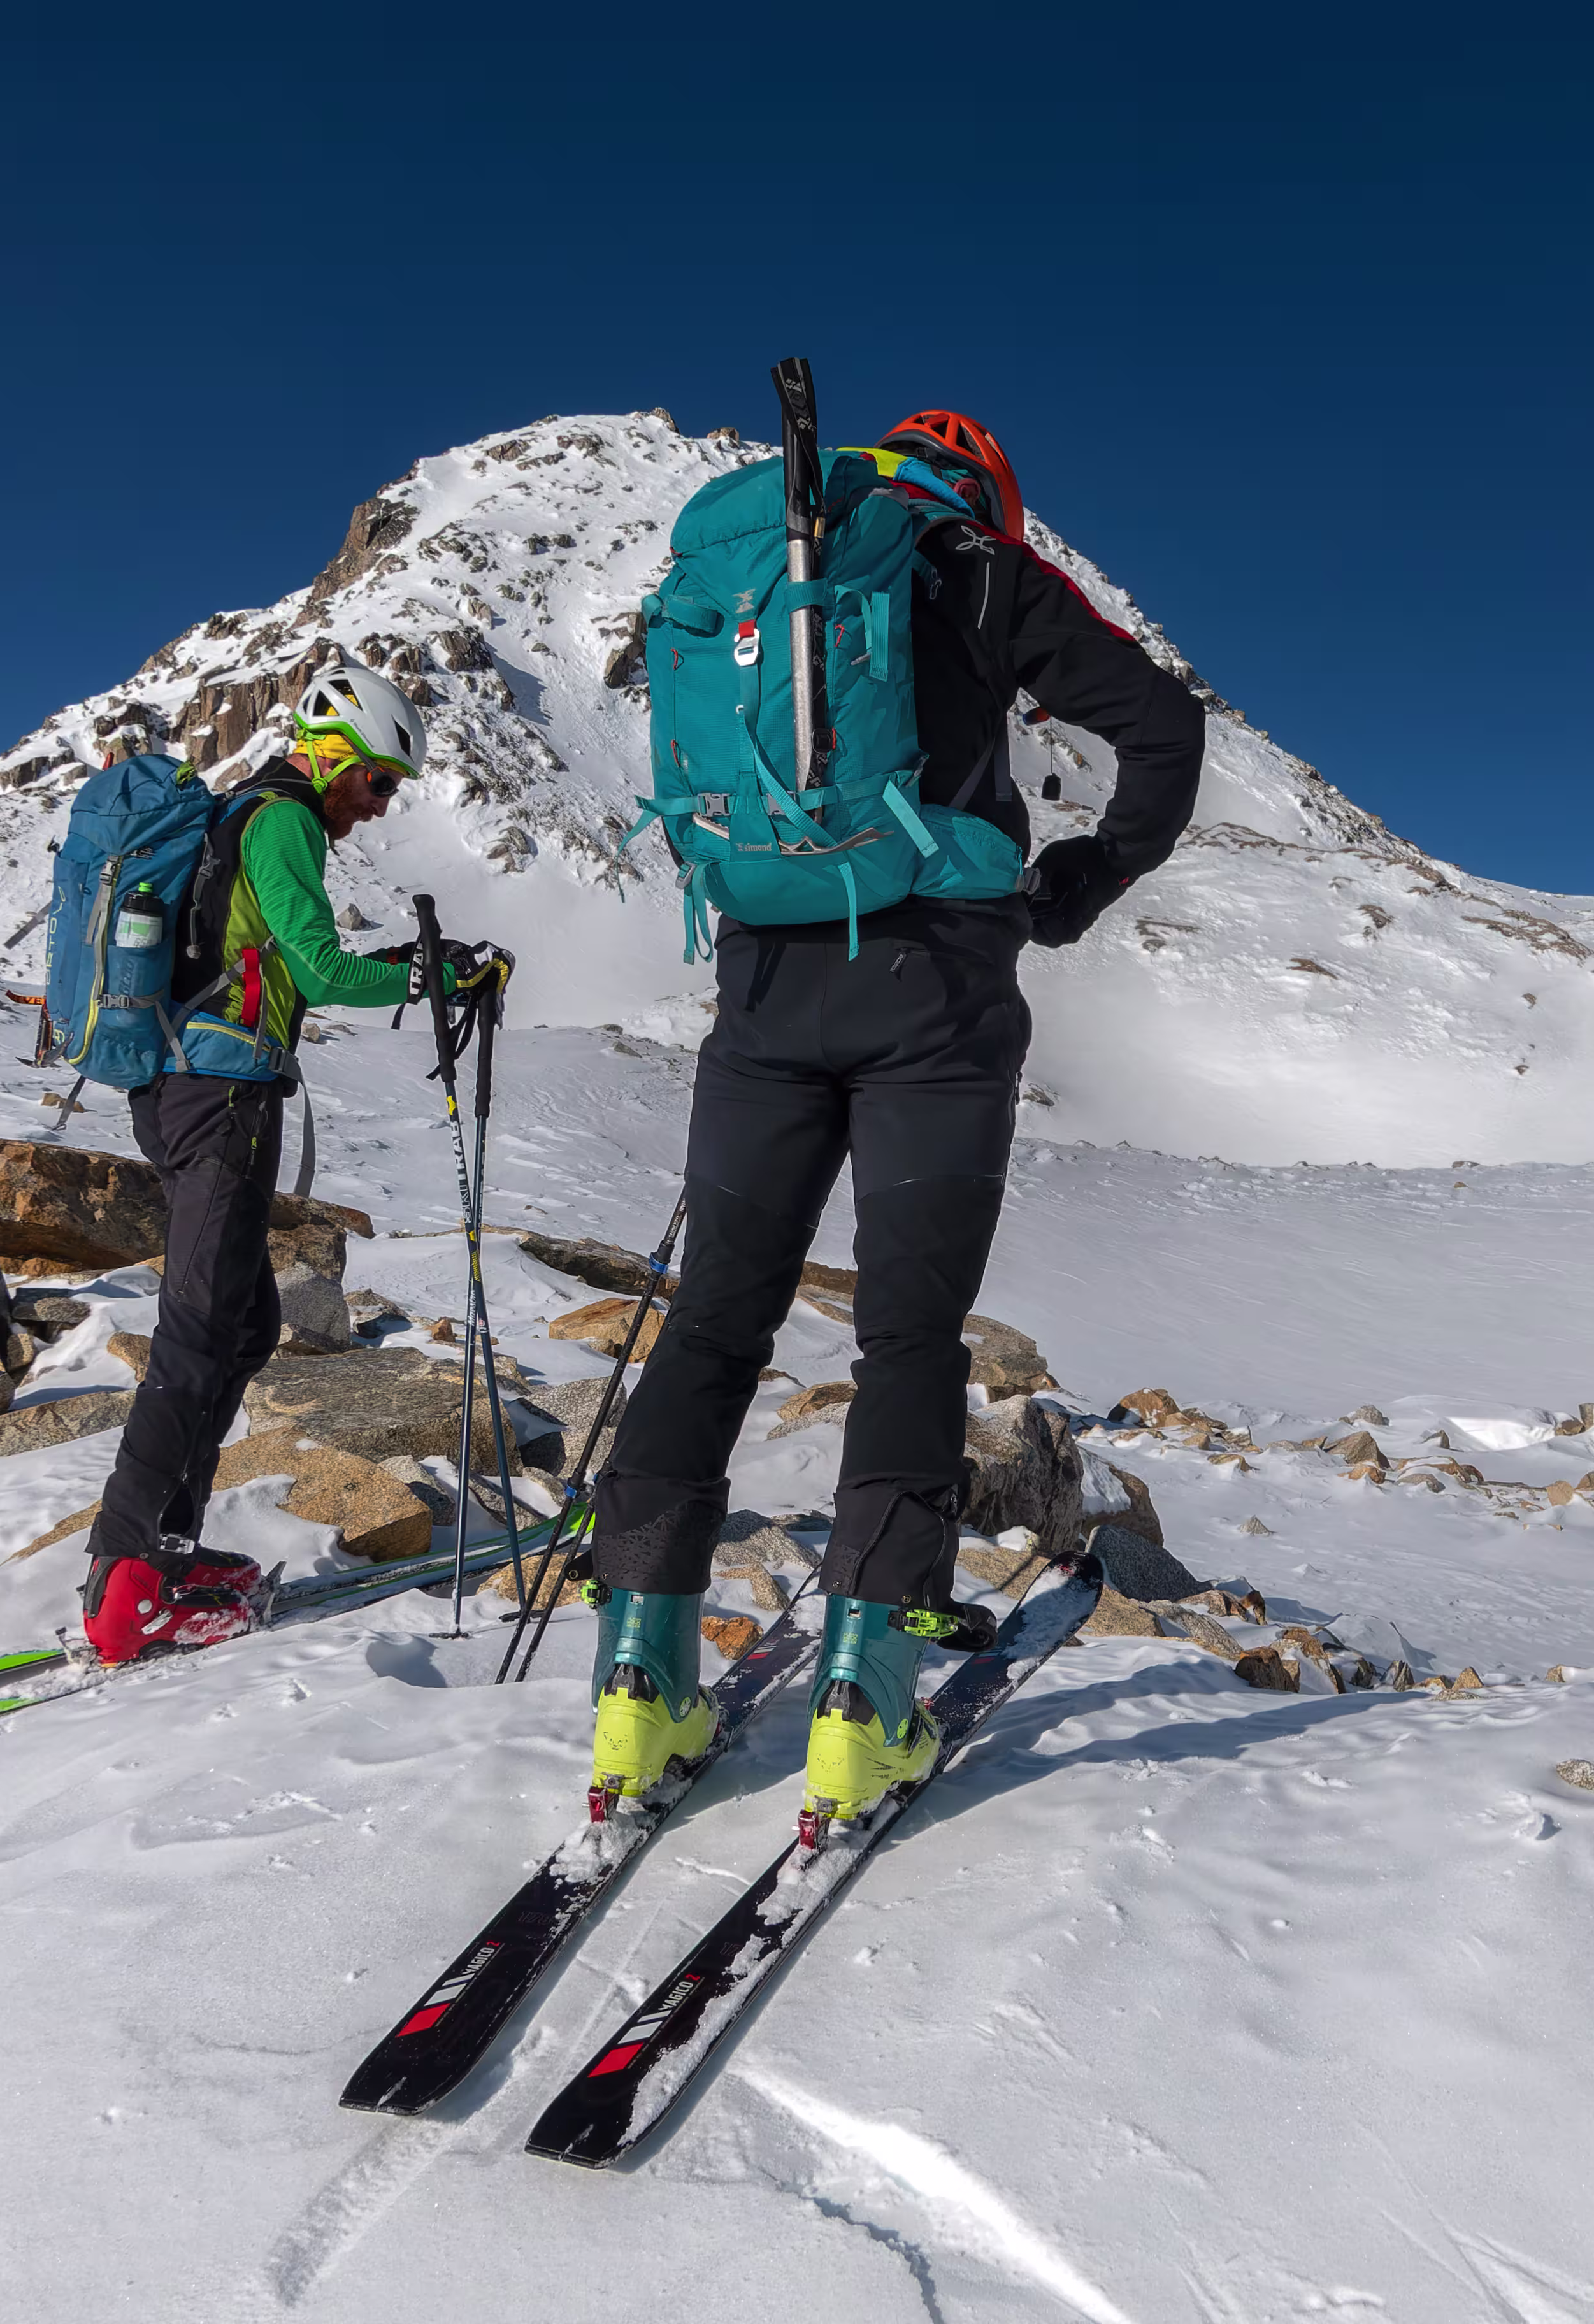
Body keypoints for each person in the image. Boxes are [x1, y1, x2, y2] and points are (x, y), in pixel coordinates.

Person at [583, 408, 1204, 1833]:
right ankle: (864, 1707)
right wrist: (1083, 881)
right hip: (935, 989)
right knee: (907, 1338)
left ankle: (638, 1682)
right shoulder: (971, 566)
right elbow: (1163, 729)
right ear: (986, 495)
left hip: (763, 988)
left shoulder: (743, 572)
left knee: (714, 1323)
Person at [78, 664, 500, 1663]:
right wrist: (433, 975)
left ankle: (166, 1553)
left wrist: (424, 967)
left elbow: (287, 963)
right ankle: (126, 1583)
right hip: (218, 1096)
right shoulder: (283, 821)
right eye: (380, 781)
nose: (380, 804)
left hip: (201, 1090)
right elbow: (321, 967)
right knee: (198, 1332)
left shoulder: (253, 816)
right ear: (335, 756)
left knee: (239, 1326)